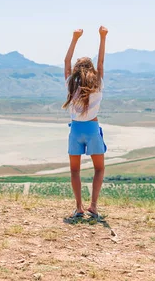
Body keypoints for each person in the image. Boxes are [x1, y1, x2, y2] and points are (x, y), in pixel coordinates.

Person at [63, 26, 108, 219]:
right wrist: (102, 37)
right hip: (92, 128)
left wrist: (74, 38)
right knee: (99, 168)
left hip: (75, 130)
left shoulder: (70, 84)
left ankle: (79, 207)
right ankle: (94, 206)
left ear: (75, 70)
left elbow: (66, 61)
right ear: (92, 71)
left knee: (75, 170)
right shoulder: (97, 83)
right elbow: (101, 61)